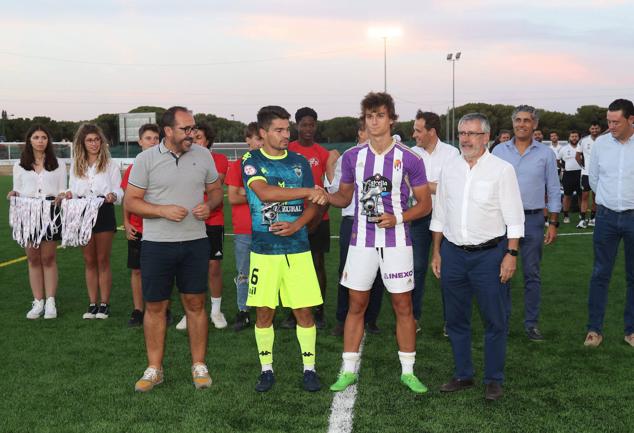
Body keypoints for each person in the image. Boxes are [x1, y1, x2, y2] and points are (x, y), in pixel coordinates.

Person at [327, 92, 432, 394]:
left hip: (397, 242)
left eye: (380, 116)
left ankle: (408, 371)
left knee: (403, 305)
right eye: (369, 116)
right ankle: (348, 369)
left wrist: (397, 219)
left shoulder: (409, 158)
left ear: (392, 119)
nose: (374, 121)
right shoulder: (352, 157)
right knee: (356, 304)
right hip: (361, 242)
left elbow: (424, 204)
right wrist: (324, 197)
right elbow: (344, 198)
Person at [125, 106, 223, 392]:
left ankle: (199, 365)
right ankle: (155, 368)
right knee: (155, 307)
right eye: (186, 129)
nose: (192, 134)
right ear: (168, 131)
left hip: (195, 242)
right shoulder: (145, 159)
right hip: (156, 245)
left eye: (193, 128)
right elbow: (131, 201)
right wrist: (161, 210)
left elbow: (216, 191)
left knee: (195, 304)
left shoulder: (203, 155)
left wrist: (210, 204)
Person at [431, 113, 524, 401]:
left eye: (473, 134)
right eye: (462, 133)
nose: (466, 139)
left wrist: (511, 254)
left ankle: (493, 379)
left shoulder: (502, 170)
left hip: (489, 256)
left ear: (486, 137)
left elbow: (515, 218)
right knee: (456, 319)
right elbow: (441, 213)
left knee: (494, 320)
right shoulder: (450, 168)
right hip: (453, 254)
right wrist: (437, 251)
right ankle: (463, 374)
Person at [242, 105, 327, 393]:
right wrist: (307, 191)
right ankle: (266, 370)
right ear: (263, 132)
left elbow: (313, 205)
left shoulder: (300, 162)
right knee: (264, 313)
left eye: (286, 129)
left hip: (298, 249)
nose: (285, 135)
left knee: (304, 311)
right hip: (264, 252)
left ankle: (309, 369)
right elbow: (265, 192)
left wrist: (296, 225)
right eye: (278, 130)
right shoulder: (250, 160)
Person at [492, 105, 561, 341]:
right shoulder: (499, 151)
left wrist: (553, 222)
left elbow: (553, 189)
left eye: (527, 120)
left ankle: (531, 324)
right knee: (501, 272)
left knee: (532, 274)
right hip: (501, 221)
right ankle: (501, 322)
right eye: (518, 120)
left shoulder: (546, 154)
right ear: (513, 123)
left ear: (535, 125)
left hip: (532, 219)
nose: (522, 124)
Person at [325, 119, 385, 337]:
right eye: (368, 131)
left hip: (379, 221)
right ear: (360, 133)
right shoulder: (350, 156)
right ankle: (343, 318)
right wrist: (330, 165)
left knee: (378, 270)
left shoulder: (387, 155)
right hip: (352, 221)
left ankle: (371, 319)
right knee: (347, 271)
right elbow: (337, 189)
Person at [584, 98, 634, 348]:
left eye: (616, 122)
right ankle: (594, 330)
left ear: (631, 120)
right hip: (606, 217)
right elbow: (594, 179)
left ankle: (631, 331)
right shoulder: (601, 144)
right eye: (608, 121)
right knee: (600, 274)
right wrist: (607, 200)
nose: (610, 126)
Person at [8, 125, 67, 319]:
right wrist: (14, 193)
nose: (40, 141)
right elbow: (17, 188)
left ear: (48, 141)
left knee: (48, 258)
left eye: (43, 137)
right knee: (33, 259)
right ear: (29, 140)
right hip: (28, 212)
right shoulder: (19, 165)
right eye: (36, 137)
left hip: (50, 212)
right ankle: (38, 302)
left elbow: (62, 190)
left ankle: (50, 302)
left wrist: (61, 196)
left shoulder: (58, 164)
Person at [176, 123, 229, 330]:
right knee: (187, 267)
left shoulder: (219, 160)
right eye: (191, 136)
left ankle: (216, 310)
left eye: (198, 137)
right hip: (187, 220)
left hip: (212, 220)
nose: (194, 140)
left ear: (207, 141)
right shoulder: (180, 158)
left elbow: (214, 185)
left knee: (213, 266)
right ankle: (189, 312)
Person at [410, 110, 458, 334]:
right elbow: (406, 186)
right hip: (418, 218)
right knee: (416, 268)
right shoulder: (410, 154)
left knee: (448, 270)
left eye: (418, 130)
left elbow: (451, 189)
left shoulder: (451, 153)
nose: (414, 134)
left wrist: (422, 185)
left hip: (446, 219)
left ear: (432, 131)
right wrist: (433, 186)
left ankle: (451, 321)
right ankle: (413, 319)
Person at [68, 123, 123, 320]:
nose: (94, 143)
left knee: (102, 260)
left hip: (104, 211)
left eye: (97, 139)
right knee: (89, 260)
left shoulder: (111, 164)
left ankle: (104, 304)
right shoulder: (77, 164)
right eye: (89, 140)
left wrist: (113, 195)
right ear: (82, 143)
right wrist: (67, 194)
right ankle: (92, 303)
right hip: (82, 212)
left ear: (102, 141)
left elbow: (119, 189)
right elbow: (73, 190)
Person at [283, 107, 330, 330]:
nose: (308, 129)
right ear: (297, 126)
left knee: (317, 264)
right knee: (291, 267)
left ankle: (319, 310)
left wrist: (315, 219)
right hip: (292, 216)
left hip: (320, 218)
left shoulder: (322, 153)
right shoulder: (288, 149)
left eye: (312, 124)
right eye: (304, 124)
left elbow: (328, 189)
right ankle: (293, 312)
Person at [121, 123, 160, 327]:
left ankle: (163, 308)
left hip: (161, 228)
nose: (152, 142)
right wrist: (126, 223)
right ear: (140, 142)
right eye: (148, 138)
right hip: (138, 227)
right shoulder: (133, 169)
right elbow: (128, 200)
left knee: (162, 270)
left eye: (156, 138)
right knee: (137, 270)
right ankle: (138, 310)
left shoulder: (166, 166)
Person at [225, 122, 263, 331]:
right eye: (257, 138)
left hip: (268, 227)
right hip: (245, 228)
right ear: (247, 139)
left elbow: (277, 194)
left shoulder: (271, 164)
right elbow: (232, 196)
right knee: (244, 272)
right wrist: (263, 194)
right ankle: (243, 311)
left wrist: (245, 193)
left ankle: (266, 311)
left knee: (268, 272)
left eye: (263, 139)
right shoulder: (238, 164)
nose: (260, 143)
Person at [575, 122, 601, 228]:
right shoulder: (583, 140)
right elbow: (577, 156)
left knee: (596, 197)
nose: (594, 130)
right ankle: (582, 220)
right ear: (589, 129)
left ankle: (593, 219)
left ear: (599, 129)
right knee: (585, 196)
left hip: (600, 173)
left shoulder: (604, 140)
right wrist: (583, 166)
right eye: (592, 128)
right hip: (586, 174)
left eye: (596, 128)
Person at [557, 131, 583, 223]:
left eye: (576, 136)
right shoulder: (564, 149)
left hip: (580, 174)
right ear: (569, 137)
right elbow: (557, 160)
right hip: (568, 175)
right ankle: (566, 215)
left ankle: (581, 213)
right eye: (572, 136)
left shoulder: (582, 148)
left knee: (581, 195)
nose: (574, 138)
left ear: (578, 137)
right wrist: (563, 168)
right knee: (567, 196)